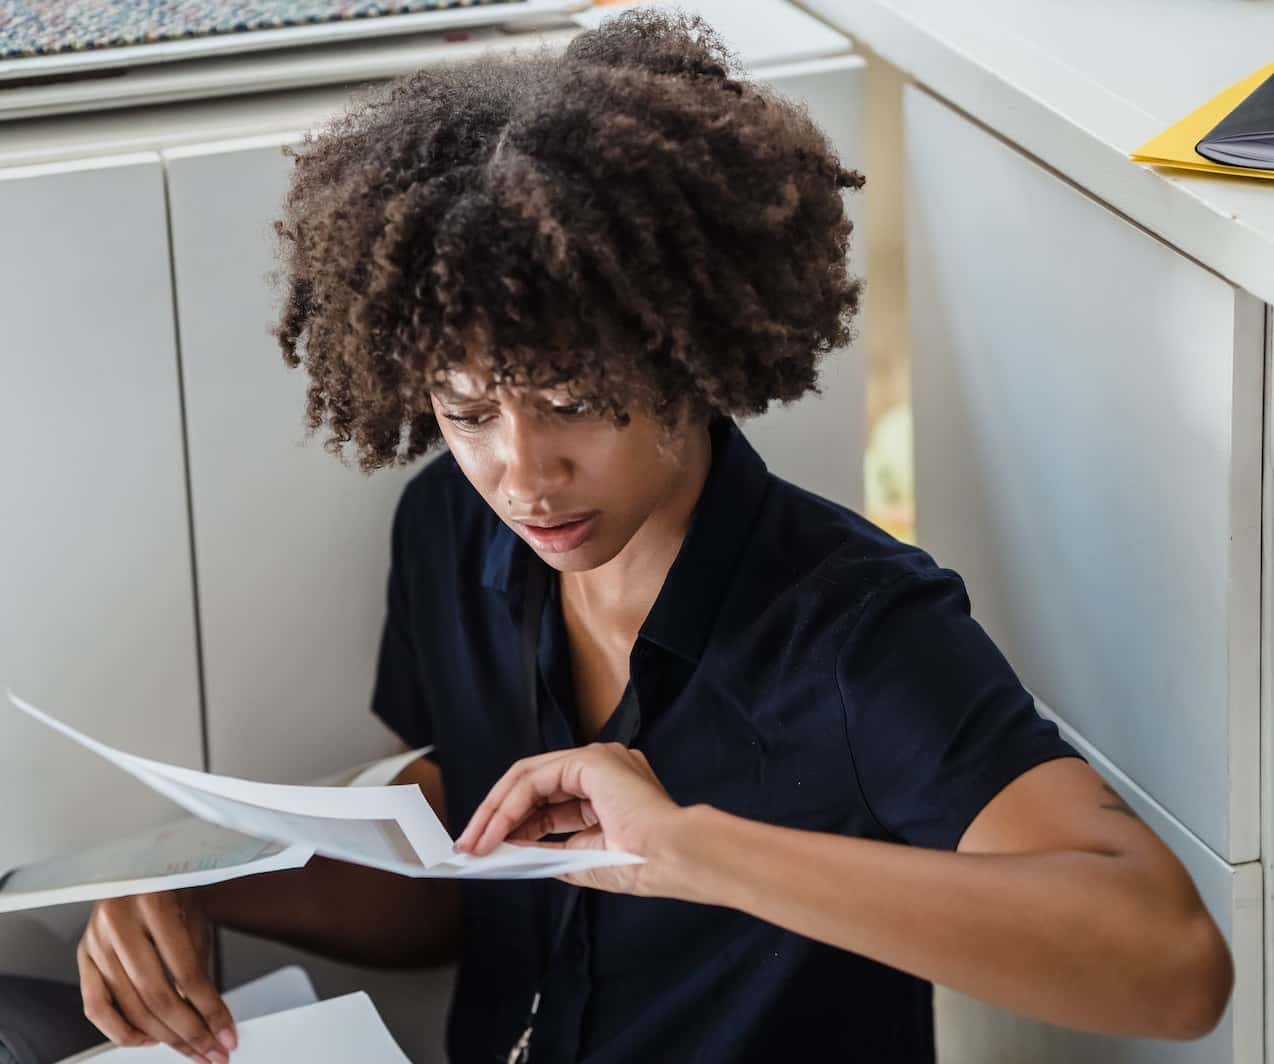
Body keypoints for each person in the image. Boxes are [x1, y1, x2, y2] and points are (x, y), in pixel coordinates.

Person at [71, 10, 1233, 1064]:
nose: (521, 474)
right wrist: (207, 881)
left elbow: (1169, 959)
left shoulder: (850, 631)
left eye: (572, 399)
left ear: (686, 356)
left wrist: (694, 852)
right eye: (467, 411)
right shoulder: (447, 529)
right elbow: (464, 881)